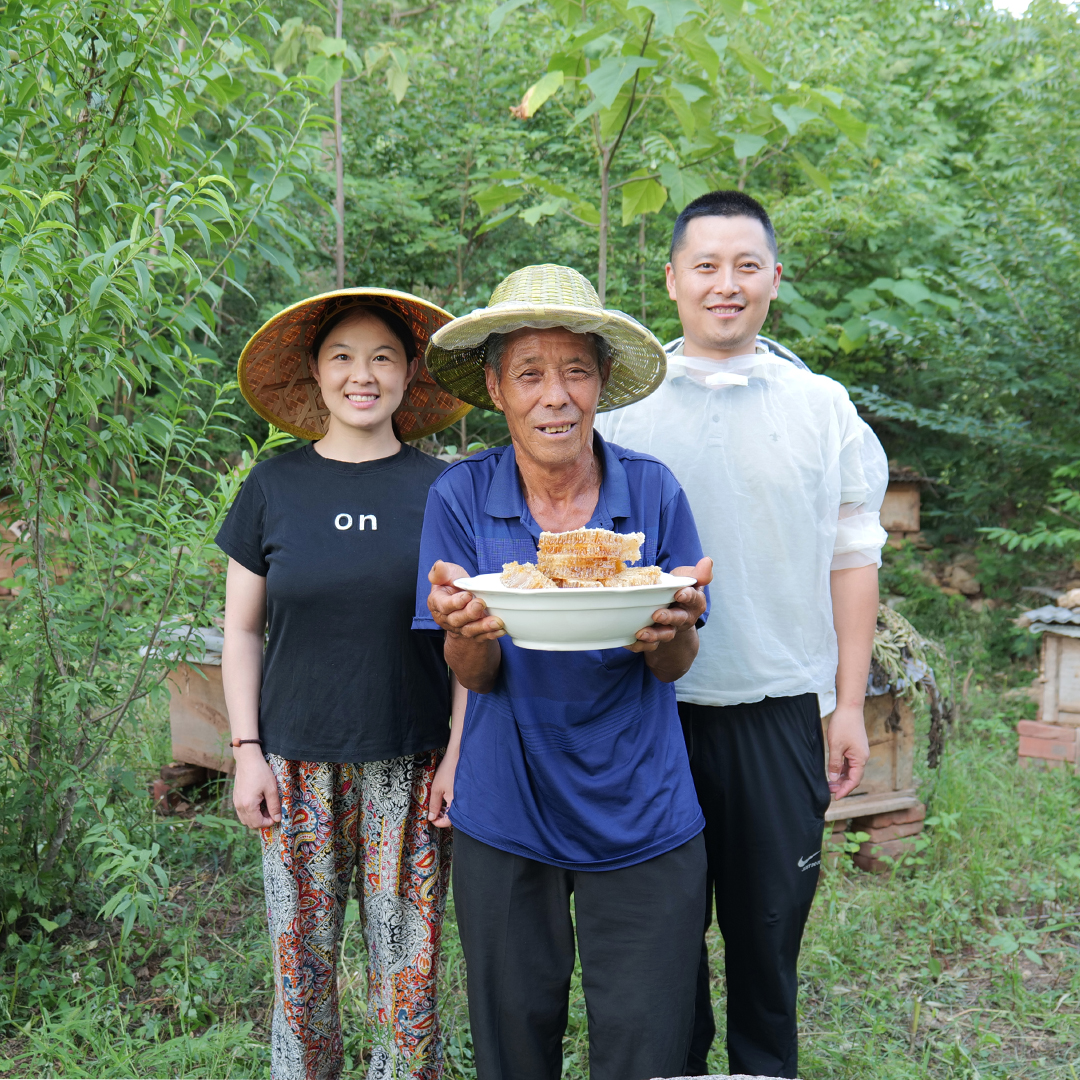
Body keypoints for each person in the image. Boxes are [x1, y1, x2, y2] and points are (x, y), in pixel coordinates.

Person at [595, 191, 888, 1079]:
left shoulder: (821, 405)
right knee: (661, 940)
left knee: (769, 935)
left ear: (774, 279)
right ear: (673, 278)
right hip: (647, 712)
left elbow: (852, 557)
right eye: (708, 267)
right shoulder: (621, 410)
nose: (727, 285)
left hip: (774, 710)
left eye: (747, 266)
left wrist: (845, 704)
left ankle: (765, 1069)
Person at [413, 263, 714, 1080]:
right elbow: (474, 675)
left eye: (576, 370)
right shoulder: (460, 497)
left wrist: (672, 629)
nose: (556, 396)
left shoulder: (651, 493)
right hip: (507, 807)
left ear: (603, 382)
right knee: (513, 1047)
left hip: (642, 806)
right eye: (531, 374)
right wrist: (464, 630)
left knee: (646, 1047)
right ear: (495, 386)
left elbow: (675, 662)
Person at [217, 288, 471, 1080]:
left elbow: (468, 630)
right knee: (303, 976)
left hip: (415, 758)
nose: (363, 376)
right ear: (317, 375)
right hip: (294, 762)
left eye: (383, 358)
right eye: (343, 358)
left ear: (408, 376)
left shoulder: (446, 489)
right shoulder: (272, 486)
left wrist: (460, 755)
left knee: (410, 979)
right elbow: (240, 630)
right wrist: (246, 751)